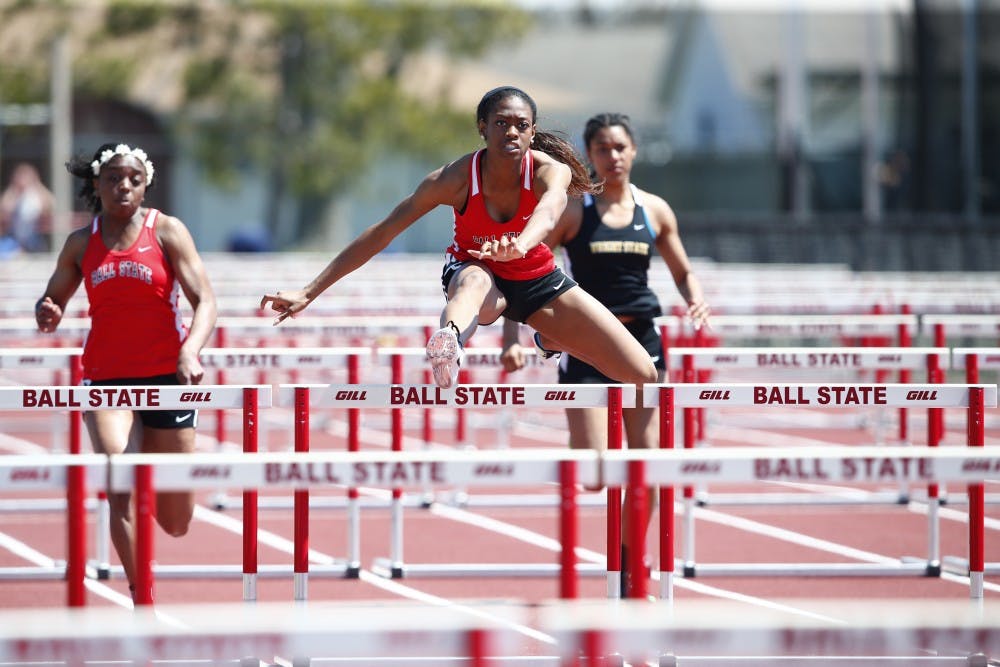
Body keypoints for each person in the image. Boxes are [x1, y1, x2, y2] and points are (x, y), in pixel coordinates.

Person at [259, 86, 658, 390]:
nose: (511, 132)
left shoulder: (549, 171)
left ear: (532, 131)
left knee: (643, 374)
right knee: (477, 282)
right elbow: (382, 232)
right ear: (482, 127)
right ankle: (448, 342)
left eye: (521, 125)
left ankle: (547, 339)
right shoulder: (452, 179)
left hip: (535, 278)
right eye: (501, 123)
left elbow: (550, 210)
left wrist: (520, 244)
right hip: (475, 270)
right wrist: (309, 291)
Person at [501, 112, 710, 596]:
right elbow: (521, 272)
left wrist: (694, 296)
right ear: (589, 155)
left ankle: (630, 560)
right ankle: (589, 450)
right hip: (586, 348)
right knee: (596, 474)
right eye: (602, 149)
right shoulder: (575, 212)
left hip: (642, 345)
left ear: (633, 151)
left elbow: (682, 271)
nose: (612, 157)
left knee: (648, 464)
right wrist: (513, 338)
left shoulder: (655, 210)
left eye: (619, 147)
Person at [35, 142, 217, 603]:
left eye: (135, 179)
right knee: (119, 483)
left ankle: (156, 489)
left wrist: (190, 351)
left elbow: (205, 302)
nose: (124, 186)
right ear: (97, 185)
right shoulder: (81, 242)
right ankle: (143, 598)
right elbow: (53, 299)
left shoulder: (167, 231)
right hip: (107, 378)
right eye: (115, 178)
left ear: (145, 185)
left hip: (167, 377)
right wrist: (48, 309)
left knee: (176, 522)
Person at [0, 163, 54, 254]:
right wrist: (13, 188)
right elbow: (4, 207)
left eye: (24, 177)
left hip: (33, 239)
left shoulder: (35, 194)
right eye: (19, 177)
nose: (22, 180)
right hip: (14, 238)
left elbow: (51, 205)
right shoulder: (14, 195)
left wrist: (37, 184)